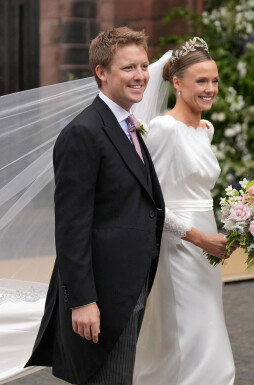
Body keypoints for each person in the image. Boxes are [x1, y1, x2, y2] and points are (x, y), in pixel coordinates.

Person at [25, 27, 166, 384]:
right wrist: (81, 300)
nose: (140, 76)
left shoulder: (128, 126)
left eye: (144, 66)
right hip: (101, 296)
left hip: (129, 285)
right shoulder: (83, 132)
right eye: (128, 68)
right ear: (102, 72)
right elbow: (71, 227)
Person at [132, 37, 236, 385]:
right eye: (201, 81)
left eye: (215, 80)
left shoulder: (206, 129)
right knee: (198, 337)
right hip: (178, 246)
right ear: (176, 82)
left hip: (207, 244)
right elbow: (151, 201)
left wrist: (236, 229)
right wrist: (198, 238)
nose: (210, 89)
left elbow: (200, 191)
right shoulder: (162, 129)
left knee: (196, 331)